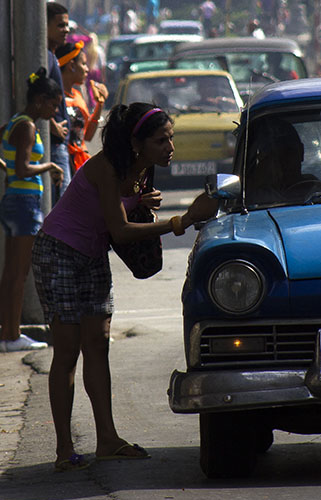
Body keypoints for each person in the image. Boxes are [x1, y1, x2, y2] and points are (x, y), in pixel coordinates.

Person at [30, 103, 219, 472]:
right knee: (68, 352)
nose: (170, 147)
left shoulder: (142, 171)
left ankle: (107, 441)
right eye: (161, 140)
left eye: (171, 138)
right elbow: (119, 231)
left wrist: (141, 202)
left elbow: (120, 219)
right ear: (137, 143)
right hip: (58, 253)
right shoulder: (106, 168)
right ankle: (64, 449)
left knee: (98, 347)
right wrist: (180, 221)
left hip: (92, 254)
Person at [0, 68, 65, 352]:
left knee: (11, 273)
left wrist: (7, 170)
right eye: (52, 104)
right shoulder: (28, 127)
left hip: (14, 201)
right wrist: (48, 166)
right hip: (25, 205)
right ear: (39, 100)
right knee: (18, 274)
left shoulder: (16, 122)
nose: (55, 109)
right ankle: (11, 336)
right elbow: (25, 168)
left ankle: (7, 335)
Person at [56, 40, 109, 172]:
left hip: (80, 165)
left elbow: (87, 136)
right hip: (61, 165)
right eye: (84, 64)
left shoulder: (78, 97)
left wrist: (99, 105)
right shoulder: (55, 99)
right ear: (71, 66)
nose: (87, 69)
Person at [46, 1, 72, 202]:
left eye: (67, 25)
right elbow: (33, 94)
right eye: (60, 25)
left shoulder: (52, 56)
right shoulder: (45, 57)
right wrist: (51, 124)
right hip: (54, 148)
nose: (67, 30)